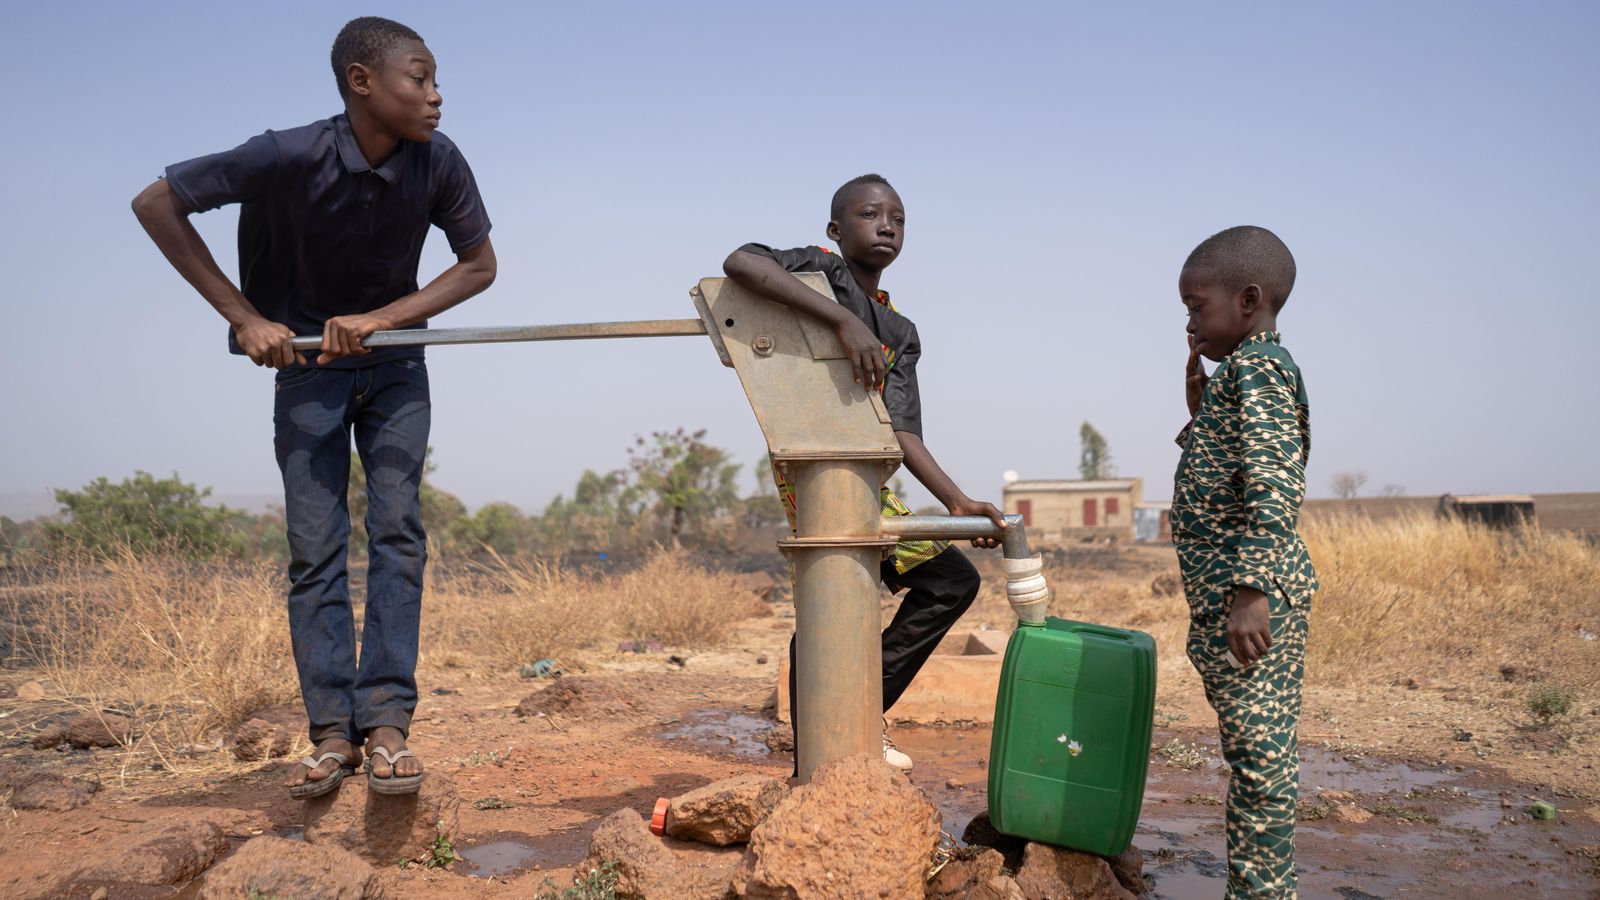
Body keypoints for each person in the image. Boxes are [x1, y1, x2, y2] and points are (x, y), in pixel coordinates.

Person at [131, 16, 496, 798]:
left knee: (398, 533)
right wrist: (244, 317)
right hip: (305, 370)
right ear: (362, 81)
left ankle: (388, 724)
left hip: (395, 367)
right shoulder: (286, 153)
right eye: (420, 77)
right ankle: (333, 735)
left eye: (435, 81)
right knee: (315, 550)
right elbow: (156, 203)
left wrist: (383, 319)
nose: (436, 96)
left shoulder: (439, 160)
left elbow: (478, 266)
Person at [723, 174, 1004, 773]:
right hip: (812, 473)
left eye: (898, 219)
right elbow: (741, 263)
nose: (886, 227)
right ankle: (824, 747)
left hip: (866, 482)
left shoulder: (900, 331)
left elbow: (903, 432)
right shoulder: (822, 271)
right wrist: (841, 321)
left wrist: (956, 501)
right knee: (836, 593)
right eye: (870, 215)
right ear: (836, 229)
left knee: (948, 581)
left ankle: (852, 715)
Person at [1173, 226, 1318, 897]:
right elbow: (1227, 465)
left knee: (1261, 763)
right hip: (1232, 598)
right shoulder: (1241, 375)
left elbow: (1271, 482)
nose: (1190, 324)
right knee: (1254, 755)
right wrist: (1201, 404)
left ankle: (1263, 893)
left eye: (1197, 307)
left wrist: (1251, 590)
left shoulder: (1258, 370)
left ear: (1249, 300)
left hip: (1251, 601)